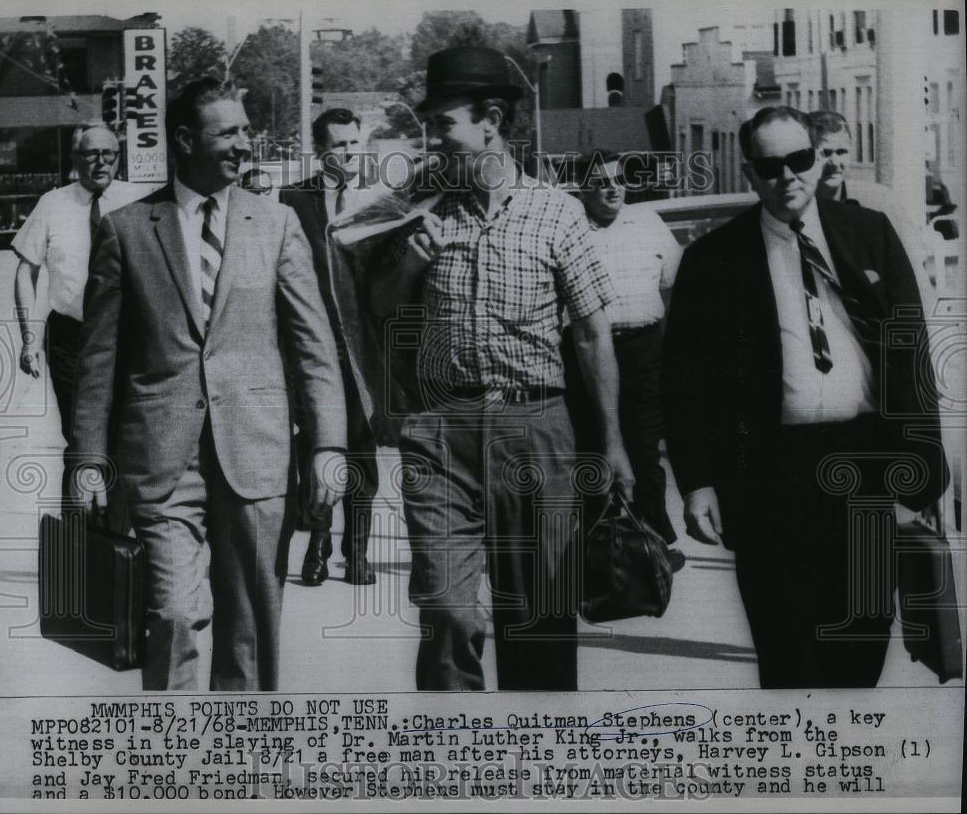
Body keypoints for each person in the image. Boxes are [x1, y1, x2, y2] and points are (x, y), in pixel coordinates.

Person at [370, 47, 634, 691]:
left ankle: (537, 772)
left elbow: (595, 335)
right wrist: (409, 265)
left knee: (538, 620)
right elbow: (376, 315)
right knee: (448, 613)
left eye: (443, 123)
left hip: (536, 431)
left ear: (491, 120)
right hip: (441, 433)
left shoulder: (558, 212)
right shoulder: (421, 208)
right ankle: (449, 769)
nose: (432, 139)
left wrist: (615, 444)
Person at [70, 78, 347, 691]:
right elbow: (98, 361)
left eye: (246, 131)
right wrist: (88, 457)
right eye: (230, 132)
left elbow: (313, 347)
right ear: (185, 140)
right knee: (171, 615)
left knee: (250, 631)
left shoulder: (276, 225)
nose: (244, 145)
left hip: (257, 454)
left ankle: (237, 769)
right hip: (162, 461)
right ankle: (181, 768)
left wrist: (329, 445)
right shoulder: (126, 229)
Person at [662, 105, 949, 688]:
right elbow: (684, 383)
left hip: (866, 465)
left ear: (817, 162)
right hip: (770, 478)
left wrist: (918, 477)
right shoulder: (712, 260)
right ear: (749, 174)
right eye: (770, 167)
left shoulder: (869, 236)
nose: (786, 177)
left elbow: (910, 356)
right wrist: (697, 482)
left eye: (799, 160)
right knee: (787, 654)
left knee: (862, 645)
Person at [11, 123, 150, 503]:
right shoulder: (53, 204)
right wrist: (29, 338)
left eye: (109, 154)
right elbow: (26, 269)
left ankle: (120, 545)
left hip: (127, 340)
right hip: (74, 340)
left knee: (125, 439)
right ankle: (77, 546)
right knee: (80, 439)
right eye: (91, 154)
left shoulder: (140, 199)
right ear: (75, 159)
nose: (101, 161)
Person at [565, 151, 685, 567]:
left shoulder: (649, 224)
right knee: (592, 446)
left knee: (644, 446)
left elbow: (672, 283)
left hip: (643, 350)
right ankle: (596, 547)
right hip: (586, 352)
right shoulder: (570, 229)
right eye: (600, 182)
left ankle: (653, 545)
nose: (612, 188)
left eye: (617, 179)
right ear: (583, 189)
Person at [280, 108, 380, 586]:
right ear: (321, 150)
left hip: (364, 353)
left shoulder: (382, 201)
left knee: (361, 451)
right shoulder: (292, 200)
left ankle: (356, 551)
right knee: (315, 448)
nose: (349, 152)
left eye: (354, 143)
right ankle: (317, 544)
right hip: (311, 350)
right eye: (339, 145)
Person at [809, 110, 937, 309]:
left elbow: (915, 272)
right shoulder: (800, 208)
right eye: (825, 153)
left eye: (842, 152)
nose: (835, 163)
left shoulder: (880, 201)